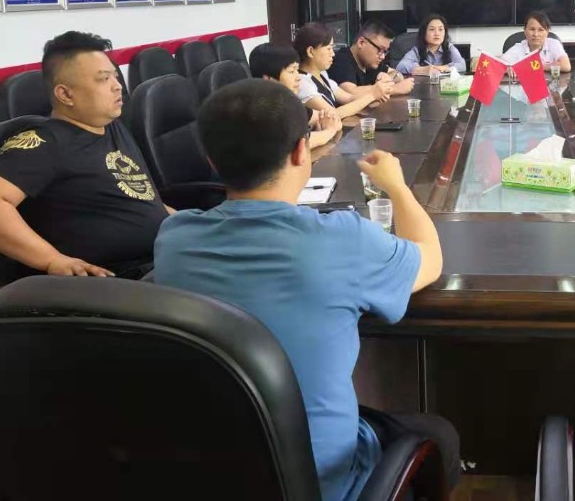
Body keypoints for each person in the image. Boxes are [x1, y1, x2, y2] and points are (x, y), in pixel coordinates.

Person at [154, 80, 458, 500]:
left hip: (211, 470)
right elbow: (430, 259)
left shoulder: (173, 238)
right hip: (316, 482)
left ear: (211, 160)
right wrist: (397, 186)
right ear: (302, 150)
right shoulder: (343, 241)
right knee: (438, 434)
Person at [0, 32, 168, 282]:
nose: (117, 86)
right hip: (117, 281)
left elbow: (142, 198)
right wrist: (52, 260)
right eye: (103, 79)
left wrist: (185, 222)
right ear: (65, 94)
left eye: (115, 76)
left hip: (160, 257)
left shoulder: (111, 126)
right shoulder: (47, 142)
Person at [249, 42, 343, 148]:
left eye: (297, 70)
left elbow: (330, 118)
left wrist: (325, 123)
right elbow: (295, 143)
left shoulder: (288, 102)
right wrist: (329, 131)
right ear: (268, 79)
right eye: (291, 71)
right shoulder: (262, 111)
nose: (298, 77)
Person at [295, 23, 383, 119]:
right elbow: (333, 114)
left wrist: (379, 94)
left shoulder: (322, 74)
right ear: (310, 51)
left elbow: (349, 99)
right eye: (329, 48)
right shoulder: (301, 83)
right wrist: (372, 95)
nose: (333, 54)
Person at [329, 20, 415, 98]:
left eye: (385, 51)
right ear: (361, 42)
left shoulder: (370, 62)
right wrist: (393, 89)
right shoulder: (341, 60)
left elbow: (397, 73)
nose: (382, 56)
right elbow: (349, 93)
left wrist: (388, 78)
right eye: (380, 50)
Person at [396, 13, 467, 76]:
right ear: (424, 33)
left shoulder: (449, 47)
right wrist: (424, 70)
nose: (437, 33)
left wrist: (444, 68)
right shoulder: (417, 50)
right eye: (432, 29)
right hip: (423, 85)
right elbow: (401, 66)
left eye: (440, 29)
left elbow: (462, 65)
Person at [503, 10, 571, 72]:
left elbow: (566, 66)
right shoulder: (518, 48)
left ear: (547, 32)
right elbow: (499, 66)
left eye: (540, 30)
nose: (536, 34)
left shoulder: (554, 44)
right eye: (532, 29)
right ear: (525, 31)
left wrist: (536, 67)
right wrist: (508, 69)